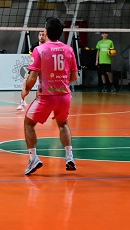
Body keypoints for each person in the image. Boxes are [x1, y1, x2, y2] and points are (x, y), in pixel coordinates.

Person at [21, 17, 78, 175]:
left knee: (28, 123)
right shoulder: (69, 49)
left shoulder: (39, 50)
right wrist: (61, 82)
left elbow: (32, 77)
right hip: (64, 96)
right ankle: (69, 157)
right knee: (63, 124)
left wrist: (26, 90)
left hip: (46, 97)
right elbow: (75, 77)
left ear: (45, 32)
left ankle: (33, 158)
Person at [18, 30, 47, 111]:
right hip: (35, 68)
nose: (41, 36)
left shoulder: (48, 46)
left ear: (46, 36)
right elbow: (32, 58)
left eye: (43, 35)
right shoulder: (34, 46)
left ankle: (46, 104)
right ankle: (22, 101)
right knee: (25, 84)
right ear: (38, 36)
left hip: (45, 69)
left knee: (46, 86)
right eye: (40, 35)